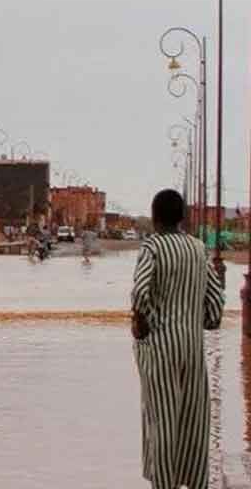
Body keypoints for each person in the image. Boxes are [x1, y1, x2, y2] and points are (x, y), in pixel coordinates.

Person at [132, 188, 225, 489]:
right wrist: (205, 321)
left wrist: (140, 322)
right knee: (193, 421)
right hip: (192, 348)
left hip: (159, 348)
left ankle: (164, 484)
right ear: (182, 217)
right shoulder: (199, 249)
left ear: (156, 218)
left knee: (161, 419)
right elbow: (216, 301)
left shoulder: (153, 247)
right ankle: (196, 482)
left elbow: (140, 291)